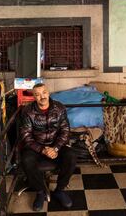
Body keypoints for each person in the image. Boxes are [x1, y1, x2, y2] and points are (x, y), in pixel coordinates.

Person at [19, 83, 77, 211]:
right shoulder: (28, 111)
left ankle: (60, 190)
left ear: (48, 92)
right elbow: (26, 137)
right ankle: (40, 191)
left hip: (56, 145)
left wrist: (55, 148)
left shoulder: (59, 108)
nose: (42, 96)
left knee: (71, 156)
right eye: (37, 94)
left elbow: (65, 130)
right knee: (26, 159)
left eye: (44, 92)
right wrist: (42, 149)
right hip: (36, 146)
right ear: (34, 97)